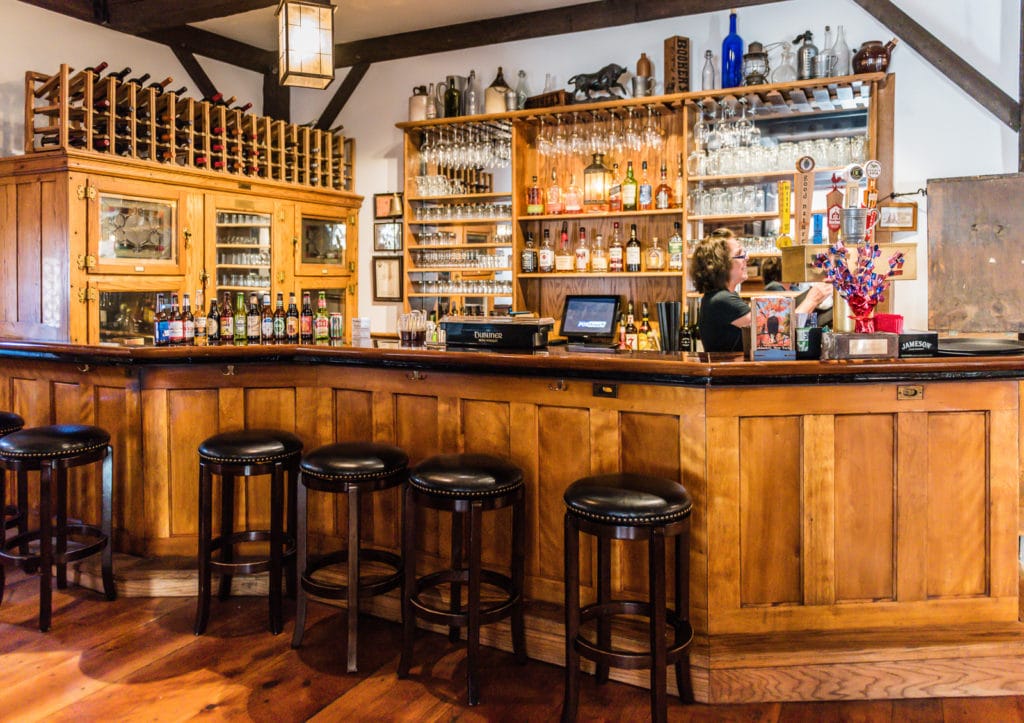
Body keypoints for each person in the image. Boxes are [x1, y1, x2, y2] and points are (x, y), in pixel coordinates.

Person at [691, 229, 832, 352]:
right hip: (732, 374)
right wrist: (811, 300)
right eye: (740, 254)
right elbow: (777, 332)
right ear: (721, 264)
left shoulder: (719, 298)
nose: (747, 257)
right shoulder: (722, 300)